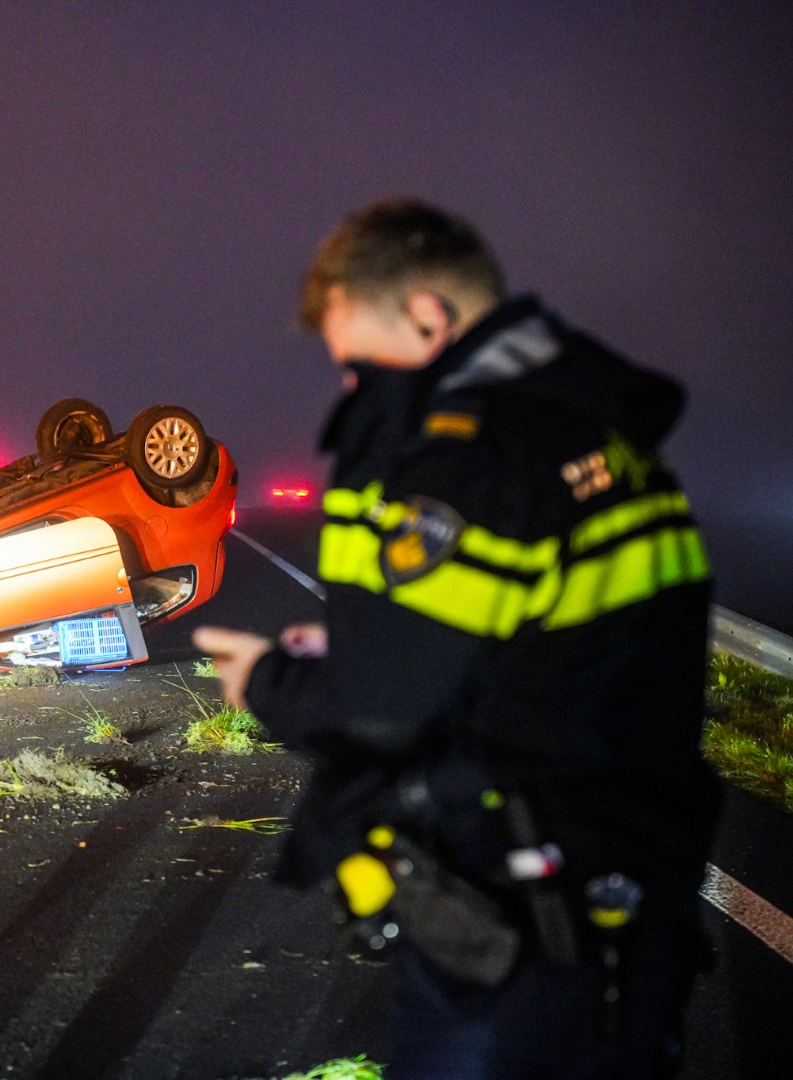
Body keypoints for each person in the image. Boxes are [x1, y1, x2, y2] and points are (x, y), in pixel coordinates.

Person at [195, 199, 718, 1078]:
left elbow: (385, 710)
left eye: (361, 366)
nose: (357, 392)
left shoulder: (480, 455)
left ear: (429, 317)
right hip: (623, 902)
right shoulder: (599, 432)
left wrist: (270, 680)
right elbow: (537, 646)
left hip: (524, 940)